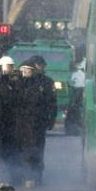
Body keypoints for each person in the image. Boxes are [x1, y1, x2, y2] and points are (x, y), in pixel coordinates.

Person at [29, 55, 57, 184]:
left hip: (40, 121)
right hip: (27, 121)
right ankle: (27, 173)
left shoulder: (47, 82)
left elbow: (52, 103)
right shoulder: (26, 81)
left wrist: (51, 119)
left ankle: (37, 175)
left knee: (38, 148)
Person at [64, 61, 85, 136]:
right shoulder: (72, 74)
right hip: (73, 93)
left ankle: (75, 130)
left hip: (78, 92)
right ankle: (71, 130)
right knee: (72, 113)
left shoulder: (81, 74)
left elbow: (80, 86)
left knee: (74, 112)